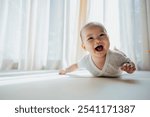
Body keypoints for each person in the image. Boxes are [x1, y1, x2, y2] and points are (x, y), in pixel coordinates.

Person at [59, 22, 136, 77]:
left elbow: (129, 62)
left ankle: (117, 49)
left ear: (108, 38)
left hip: (118, 59)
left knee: (120, 53)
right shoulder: (86, 61)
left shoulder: (116, 57)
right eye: (90, 38)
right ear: (84, 47)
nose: (97, 40)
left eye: (101, 35)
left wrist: (129, 67)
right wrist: (65, 70)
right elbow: (76, 65)